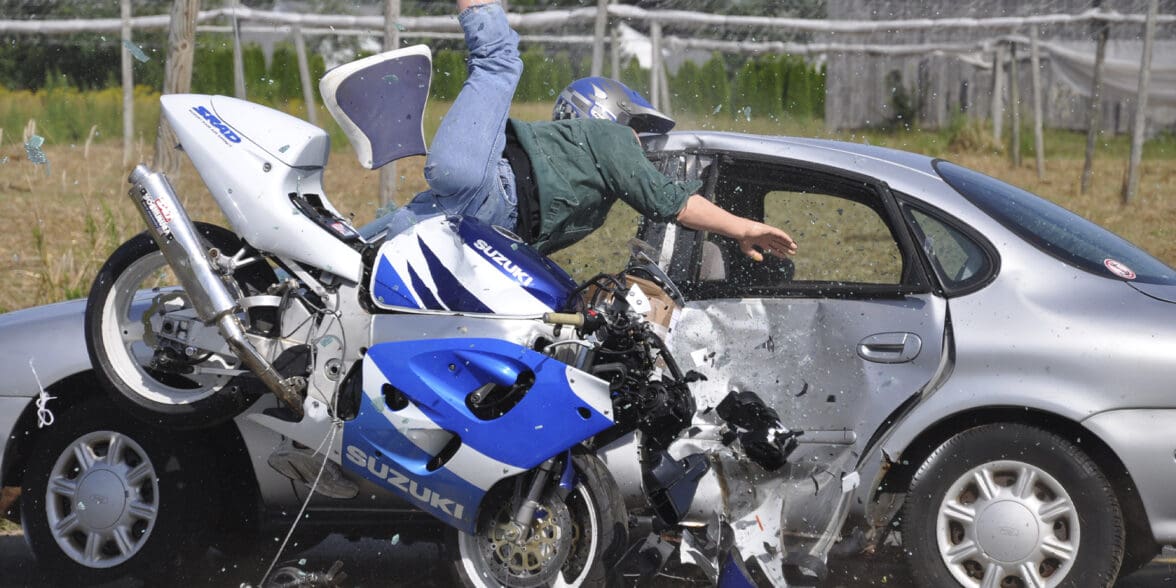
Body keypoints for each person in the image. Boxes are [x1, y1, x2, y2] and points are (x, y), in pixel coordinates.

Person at [368, 0, 798, 263]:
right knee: (499, 59)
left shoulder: (587, 194)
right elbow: (672, 202)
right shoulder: (605, 138)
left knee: (355, 254)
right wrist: (743, 227)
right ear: (603, 113)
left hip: (465, 227)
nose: (641, 145)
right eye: (638, 131)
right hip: (482, 186)